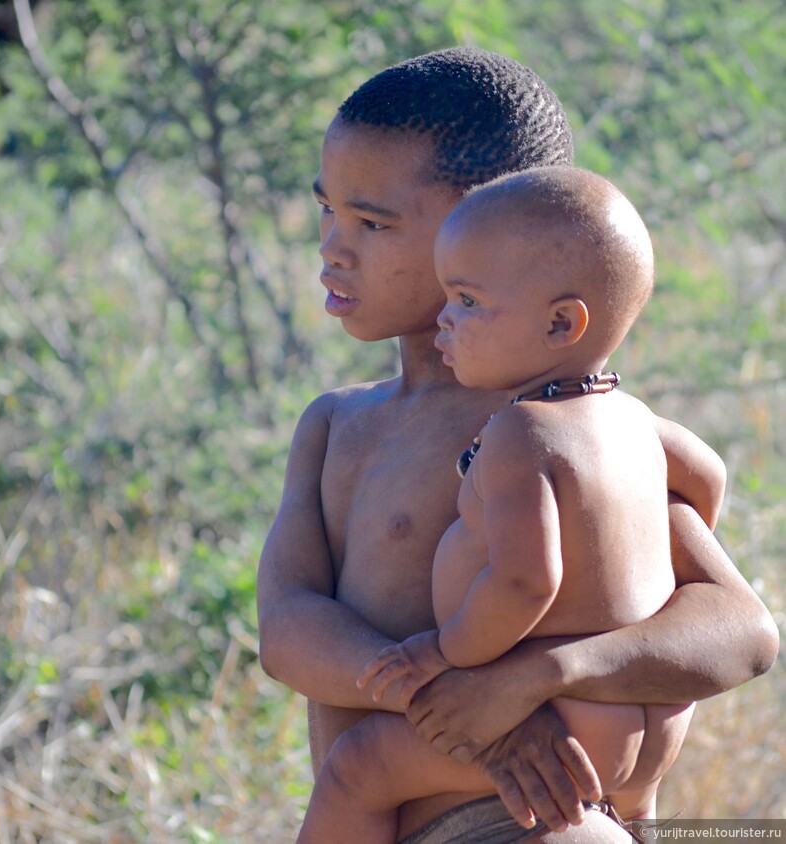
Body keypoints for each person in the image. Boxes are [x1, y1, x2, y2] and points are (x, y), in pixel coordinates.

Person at [256, 47, 778, 843]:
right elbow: (286, 628)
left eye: (373, 222)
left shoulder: (568, 433)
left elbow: (738, 629)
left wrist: (539, 677)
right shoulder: (337, 426)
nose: (333, 245)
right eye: (326, 210)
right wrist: (449, 705)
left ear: (489, 220)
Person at [297, 165, 699, 843]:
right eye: (325, 212)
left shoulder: (522, 431)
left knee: (355, 769)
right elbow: (707, 478)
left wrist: (447, 660)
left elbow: (524, 580)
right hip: (626, 740)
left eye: (468, 299)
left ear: (560, 322)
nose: (333, 245)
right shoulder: (632, 422)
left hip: (552, 741)